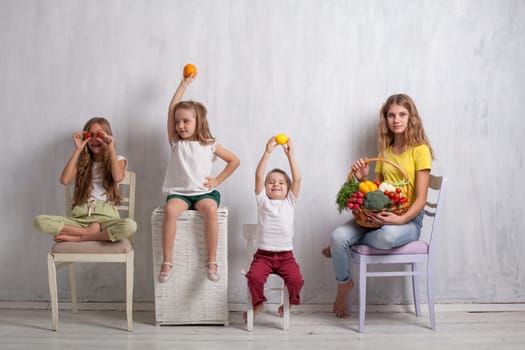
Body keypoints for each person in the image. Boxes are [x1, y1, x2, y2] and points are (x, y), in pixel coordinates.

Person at [322, 93, 434, 318]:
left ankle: (342, 250)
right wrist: (363, 179)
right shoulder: (385, 151)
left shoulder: (420, 150)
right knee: (337, 236)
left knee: (386, 237)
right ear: (386, 119)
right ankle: (344, 284)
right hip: (378, 216)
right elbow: (377, 193)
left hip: (408, 220)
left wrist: (400, 219)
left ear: (411, 117)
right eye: (391, 115)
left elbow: (421, 198)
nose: (397, 120)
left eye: (402, 114)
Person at [158, 73, 240, 284]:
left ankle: (211, 261)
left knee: (211, 209)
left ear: (198, 121)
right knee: (170, 210)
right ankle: (167, 261)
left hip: (204, 193)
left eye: (186, 121)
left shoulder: (210, 143)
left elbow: (234, 161)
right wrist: (184, 84)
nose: (180, 126)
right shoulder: (176, 142)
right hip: (180, 193)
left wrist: (217, 180)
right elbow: (171, 109)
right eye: (178, 122)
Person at [32, 117, 137, 242]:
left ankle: (81, 238)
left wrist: (111, 148)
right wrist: (78, 149)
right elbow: (64, 180)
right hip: (80, 219)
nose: (94, 139)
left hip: (106, 219)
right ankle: (87, 232)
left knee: (130, 226)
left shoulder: (118, 159)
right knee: (38, 221)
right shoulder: (83, 164)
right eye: (90, 135)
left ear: (108, 136)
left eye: (99, 135)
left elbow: (118, 177)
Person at [243, 136, 304, 323]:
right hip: (263, 256)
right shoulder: (263, 202)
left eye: (281, 182)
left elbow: (298, 178)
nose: (276, 184)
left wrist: (290, 156)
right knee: (253, 277)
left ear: (287, 189)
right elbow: (258, 176)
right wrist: (267, 152)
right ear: (265, 188)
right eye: (271, 182)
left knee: (296, 280)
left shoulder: (290, 202)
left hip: (286, 256)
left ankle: (290, 303)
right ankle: (258, 302)